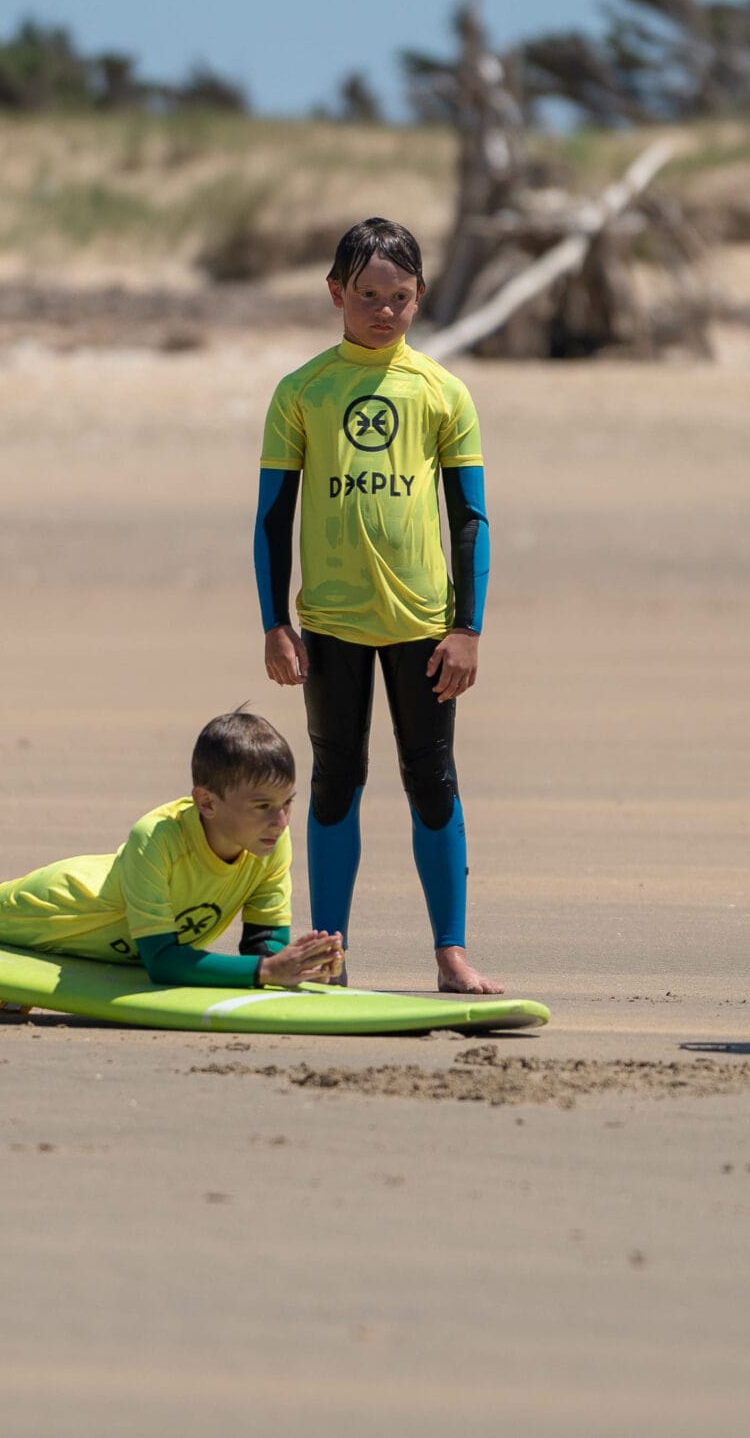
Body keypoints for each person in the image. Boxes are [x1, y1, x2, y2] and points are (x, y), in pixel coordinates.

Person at [253, 218, 498, 994]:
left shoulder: (442, 391)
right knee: (334, 780)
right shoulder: (303, 391)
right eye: (367, 296)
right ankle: (331, 954)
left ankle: (451, 953)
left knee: (433, 781)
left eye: (399, 296)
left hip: (424, 628)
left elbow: (470, 517)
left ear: (420, 296)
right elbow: (272, 516)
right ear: (337, 293)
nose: (383, 310)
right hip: (330, 625)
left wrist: (468, 627)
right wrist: (274, 622)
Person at [0, 711, 345, 991]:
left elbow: (261, 941)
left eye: (287, 803)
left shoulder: (271, 841)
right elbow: (163, 962)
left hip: (114, 936)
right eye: (262, 806)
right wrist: (264, 974)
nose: (280, 820)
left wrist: (293, 961)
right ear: (205, 801)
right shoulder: (157, 839)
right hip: (56, 908)